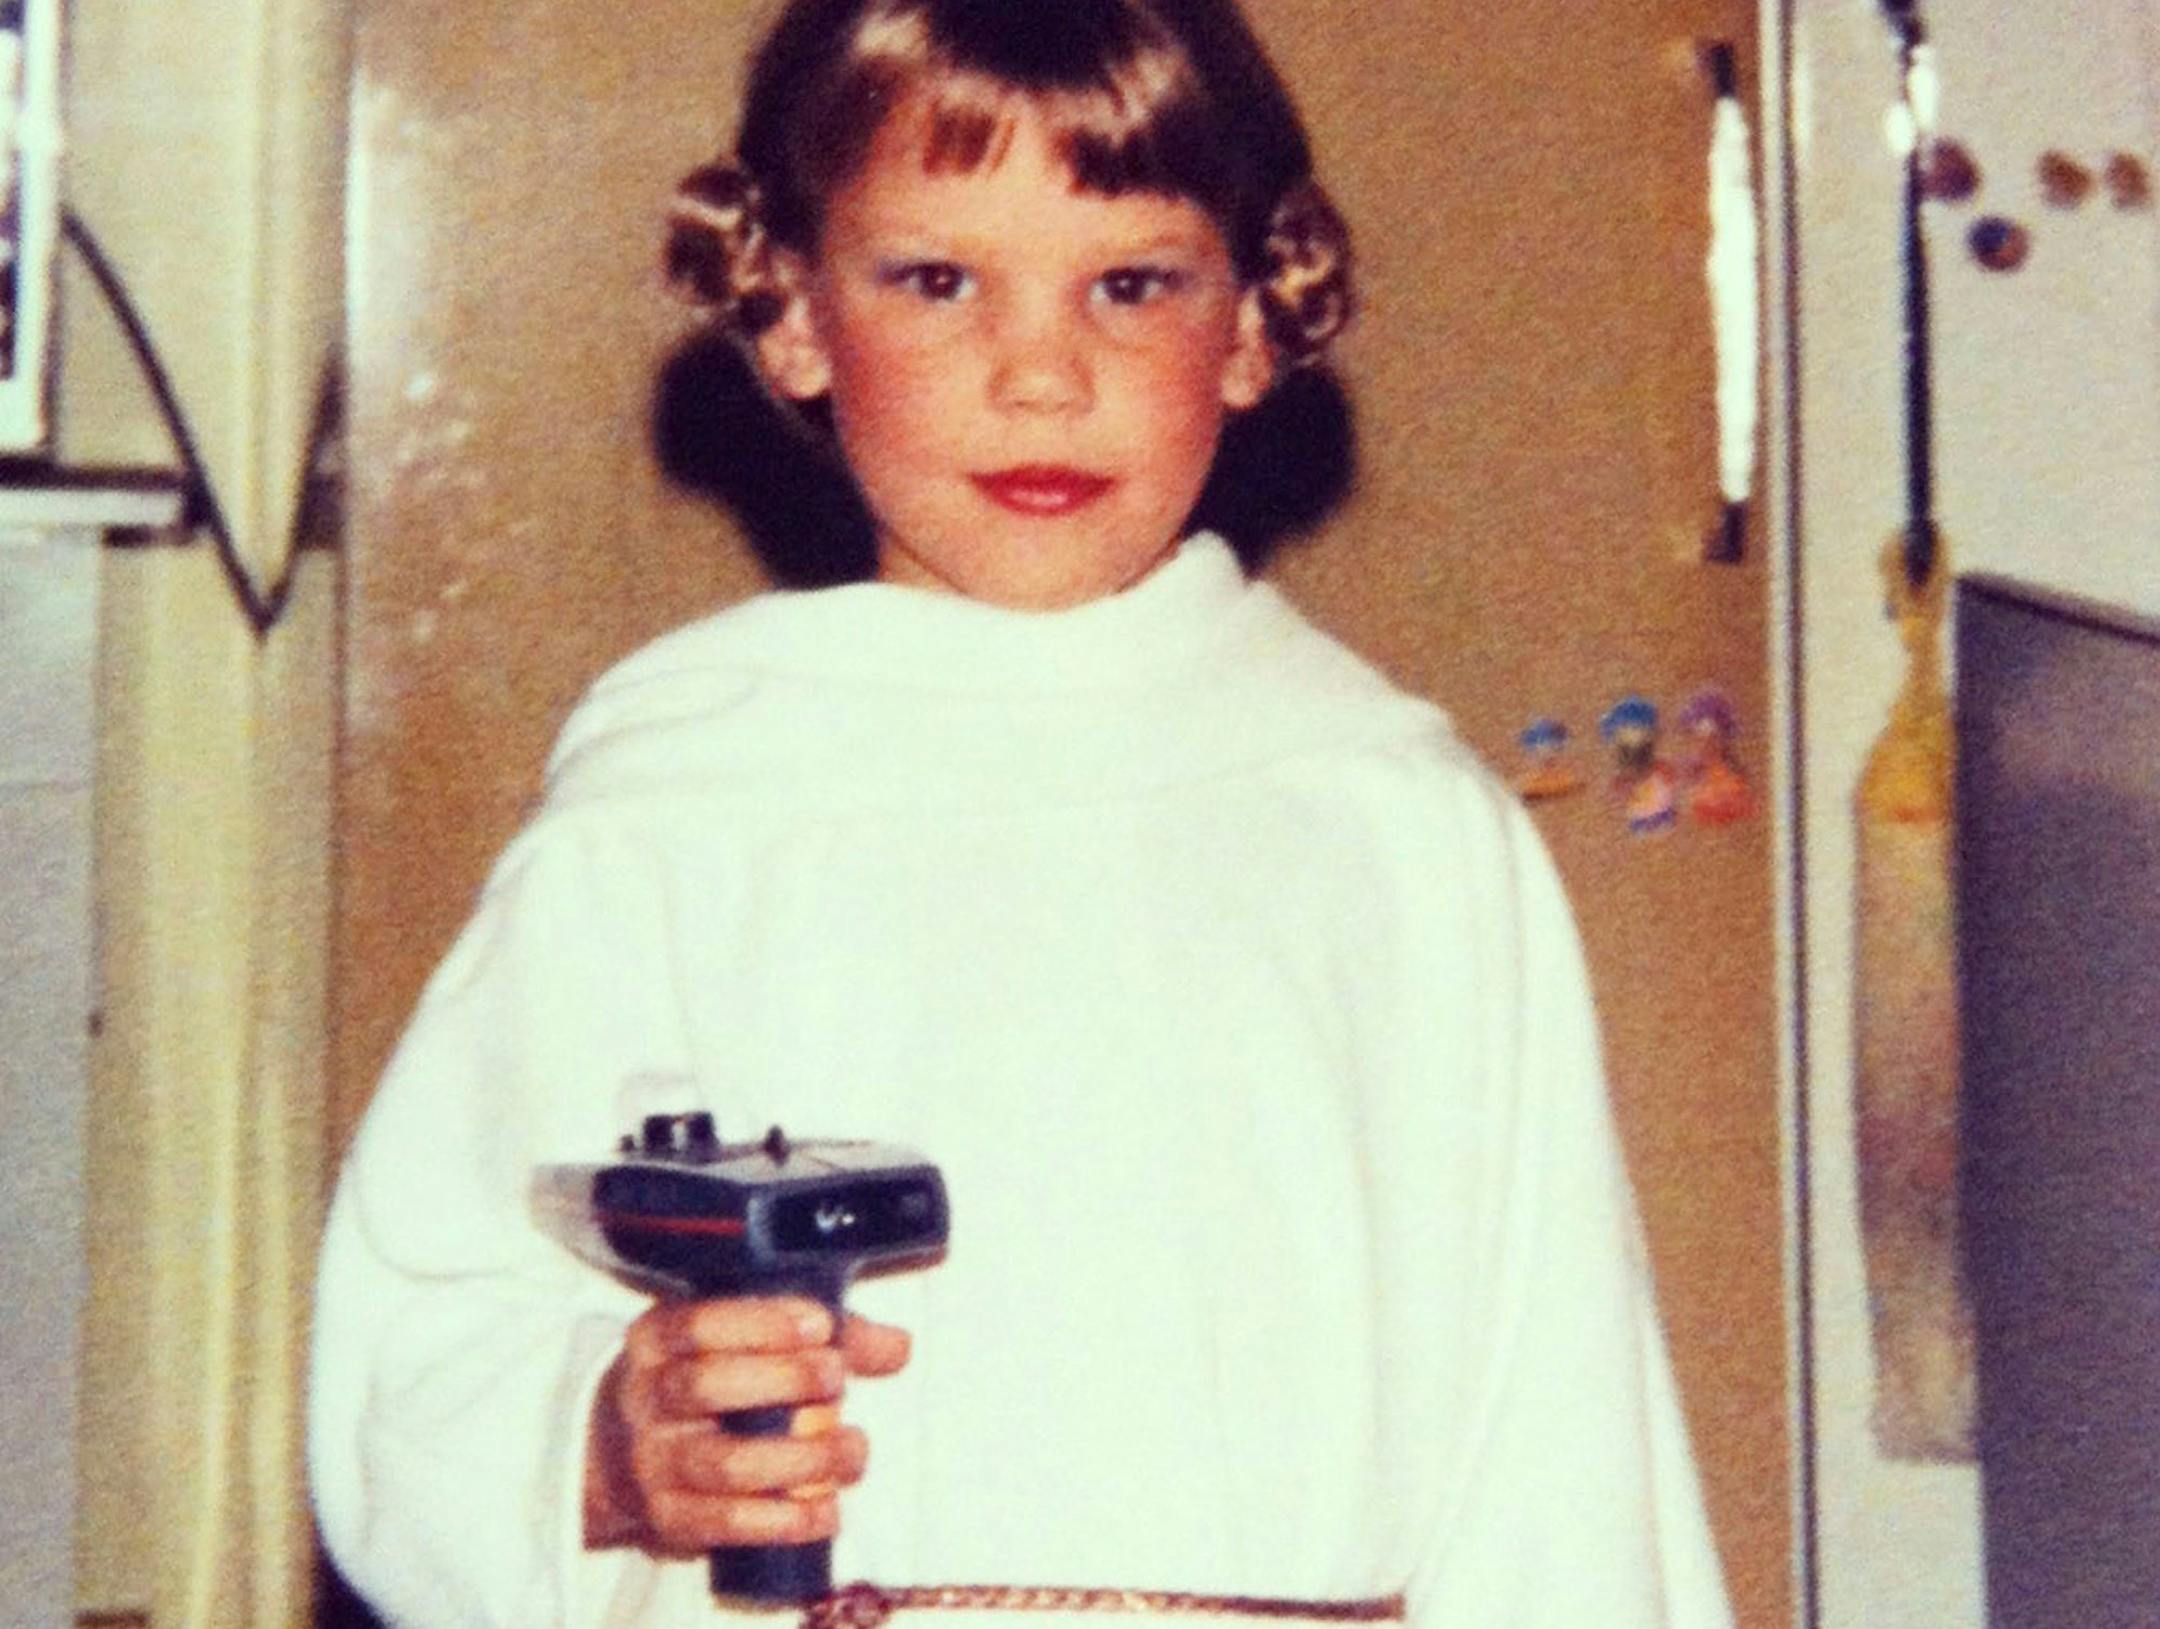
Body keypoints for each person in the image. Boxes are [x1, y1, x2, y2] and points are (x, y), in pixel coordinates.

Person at [308, 2, 1735, 1626]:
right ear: (788, 310)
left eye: (1131, 284)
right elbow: (427, 1331)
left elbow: (1561, 1442)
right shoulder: (680, 812)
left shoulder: (1392, 821)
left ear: (1258, 321)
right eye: (937, 281)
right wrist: (611, 1451)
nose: (1042, 373)